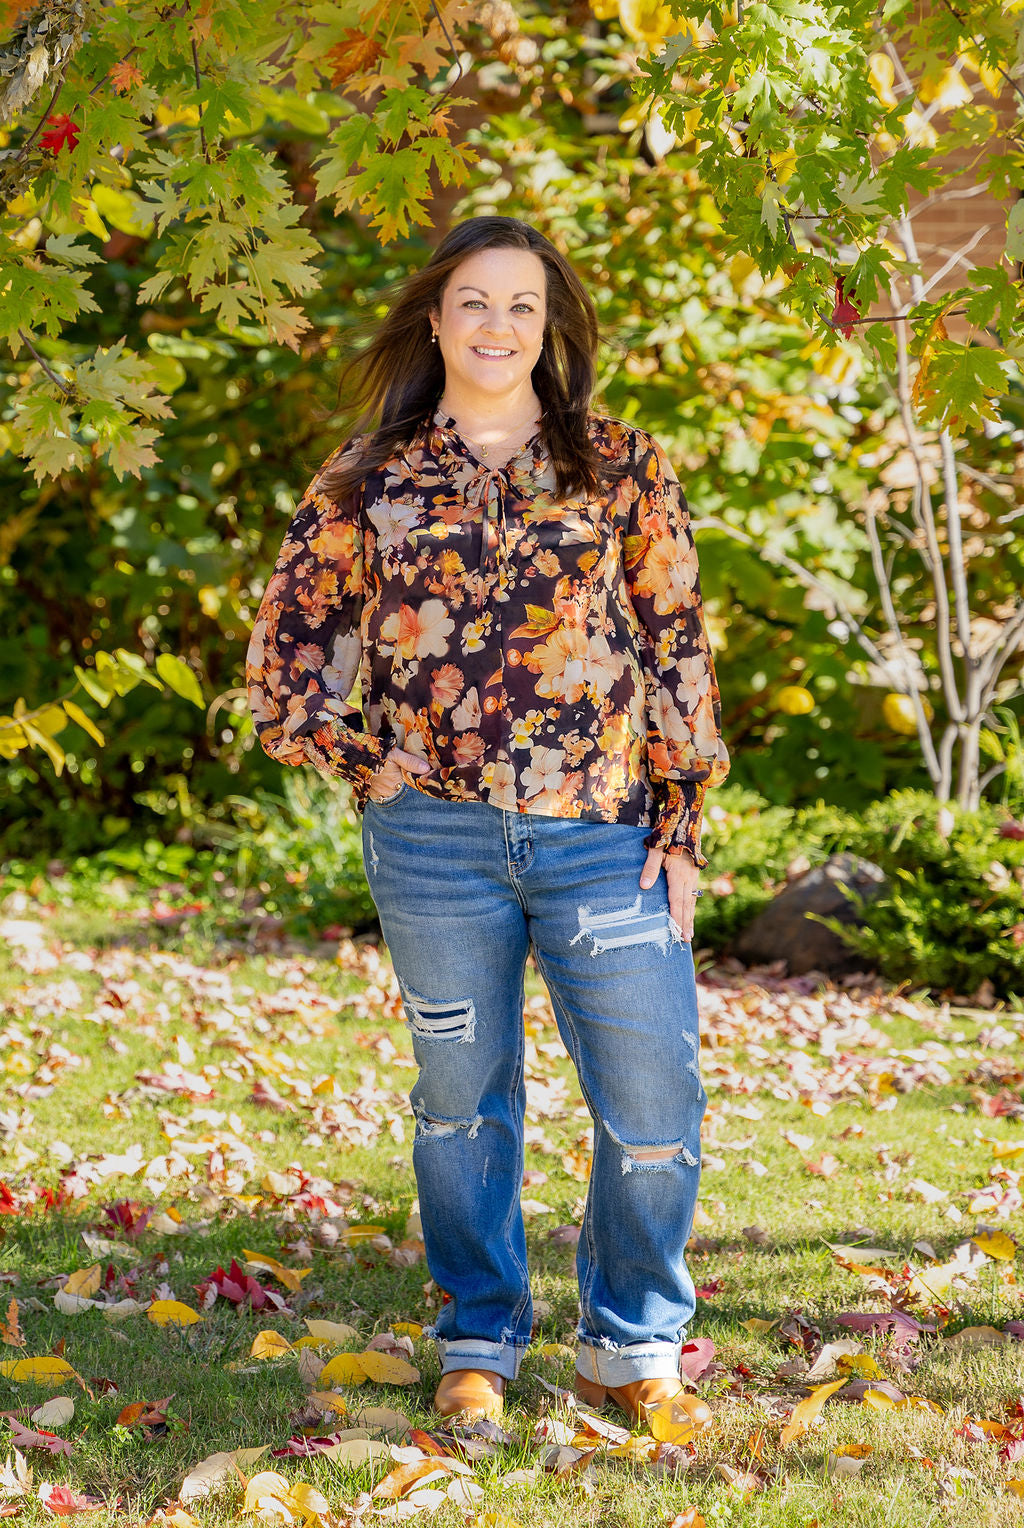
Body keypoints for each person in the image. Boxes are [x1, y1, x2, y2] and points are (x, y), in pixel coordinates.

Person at [246, 215, 730, 1427]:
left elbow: (673, 643)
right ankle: (479, 1336)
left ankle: (631, 1347)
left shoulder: (620, 464)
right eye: (474, 300)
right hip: (433, 847)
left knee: (654, 1102)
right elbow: (287, 651)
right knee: (460, 1103)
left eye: (522, 304)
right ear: (434, 319)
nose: (497, 325)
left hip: (603, 834)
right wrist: (368, 767)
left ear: (551, 326)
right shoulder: (370, 475)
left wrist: (679, 822)